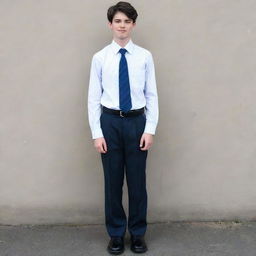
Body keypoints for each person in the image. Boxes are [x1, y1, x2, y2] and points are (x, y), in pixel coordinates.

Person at [88, 1, 159, 254]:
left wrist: (149, 128)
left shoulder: (144, 56)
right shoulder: (100, 58)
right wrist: (98, 133)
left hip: (137, 122)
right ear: (110, 24)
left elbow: (152, 95)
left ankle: (138, 233)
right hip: (110, 123)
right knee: (113, 182)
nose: (122, 25)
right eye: (117, 21)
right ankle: (116, 234)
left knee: (138, 182)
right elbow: (93, 98)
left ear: (133, 25)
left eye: (127, 21)